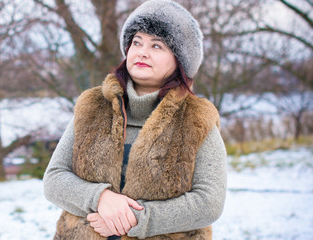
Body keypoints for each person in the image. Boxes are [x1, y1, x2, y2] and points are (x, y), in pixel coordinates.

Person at [43, 0, 227, 239]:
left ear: (179, 60)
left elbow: (208, 202)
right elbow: (54, 179)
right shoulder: (93, 106)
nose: (142, 51)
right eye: (136, 42)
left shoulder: (195, 118)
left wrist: (134, 220)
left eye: (157, 46)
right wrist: (100, 198)